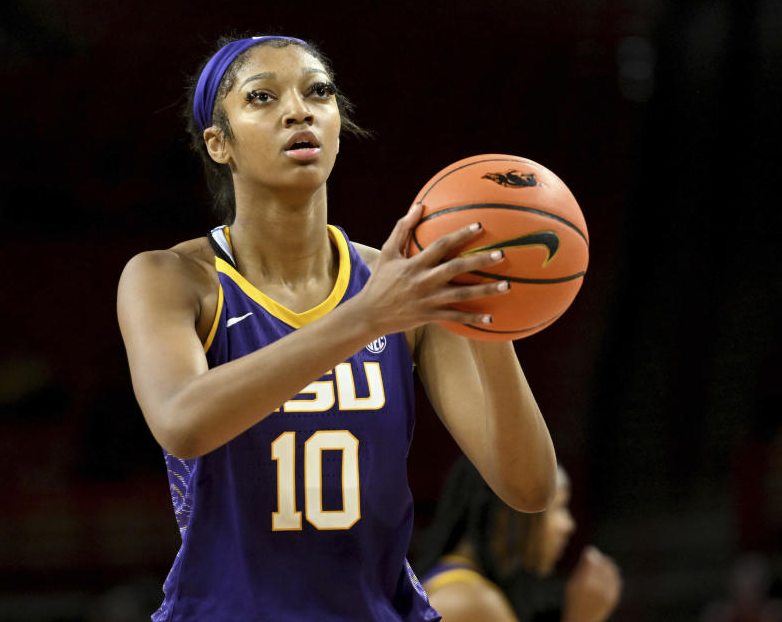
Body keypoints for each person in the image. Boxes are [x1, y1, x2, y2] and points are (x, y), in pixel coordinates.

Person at [117, 34, 558, 621]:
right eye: (262, 97)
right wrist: (366, 318)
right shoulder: (171, 278)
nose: (298, 109)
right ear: (218, 144)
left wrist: (490, 313)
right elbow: (182, 422)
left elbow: (528, 488)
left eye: (318, 92)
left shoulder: (403, 284)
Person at [416, 456, 621, 621]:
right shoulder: (470, 602)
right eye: (559, 506)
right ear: (507, 510)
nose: (568, 525)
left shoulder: (464, 589)